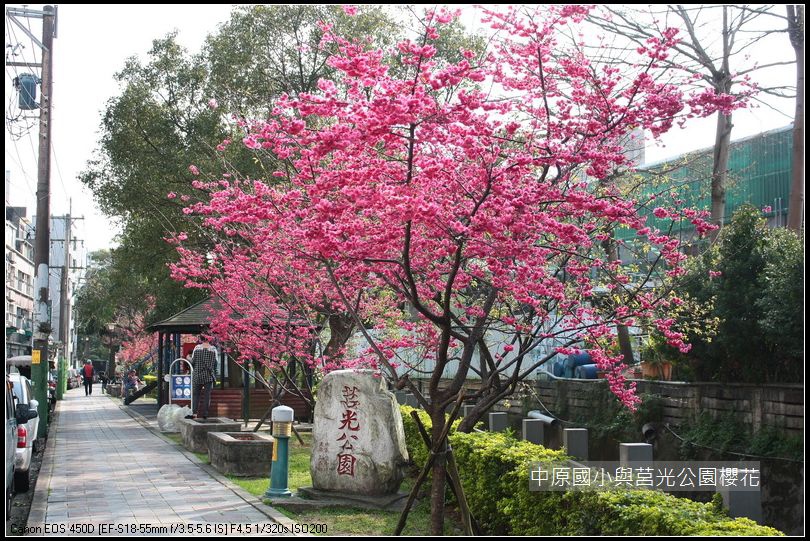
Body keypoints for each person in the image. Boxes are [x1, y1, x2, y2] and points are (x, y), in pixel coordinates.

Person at [189, 335, 217, 419]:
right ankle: (205, 414)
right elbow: (215, 364)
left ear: (201, 339)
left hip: (197, 375)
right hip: (208, 375)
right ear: (210, 339)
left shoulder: (197, 348)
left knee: (196, 395)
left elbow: (193, 362)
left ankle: (194, 413)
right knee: (207, 396)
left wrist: (188, 358)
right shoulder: (213, 349)